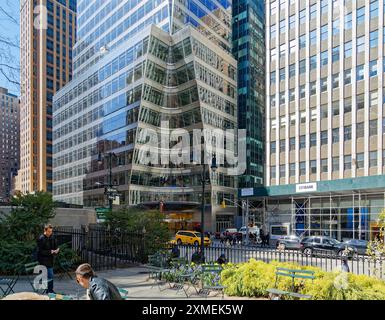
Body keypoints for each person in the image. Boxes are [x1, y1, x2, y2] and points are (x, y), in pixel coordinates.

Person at [37, 224, 60, 294]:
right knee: (50, 275)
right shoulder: (41, 239)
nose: (50, 233)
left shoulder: (52, 237)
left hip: (50, 260)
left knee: (50, 276)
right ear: (45, 230)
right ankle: (50, 291)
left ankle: (49, 290)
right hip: (43, 261)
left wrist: (57, 250)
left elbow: (55, 247)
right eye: (49, 231)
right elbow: (40, 251)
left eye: (51, 231)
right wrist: (50, 251)